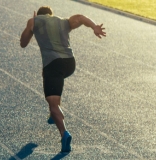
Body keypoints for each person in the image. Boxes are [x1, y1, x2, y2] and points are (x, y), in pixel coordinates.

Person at [19, 6, 107, 153]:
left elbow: (23, 43)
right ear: (51, 14)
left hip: (53, 65)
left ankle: (64, 133)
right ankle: (54, 113)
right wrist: (94, 27)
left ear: (39, 15)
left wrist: (31, 27)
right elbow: (80, 17)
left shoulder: (34, 21)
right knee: (52, 83)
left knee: (53, 103)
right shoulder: (63, 21)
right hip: (69, 64)